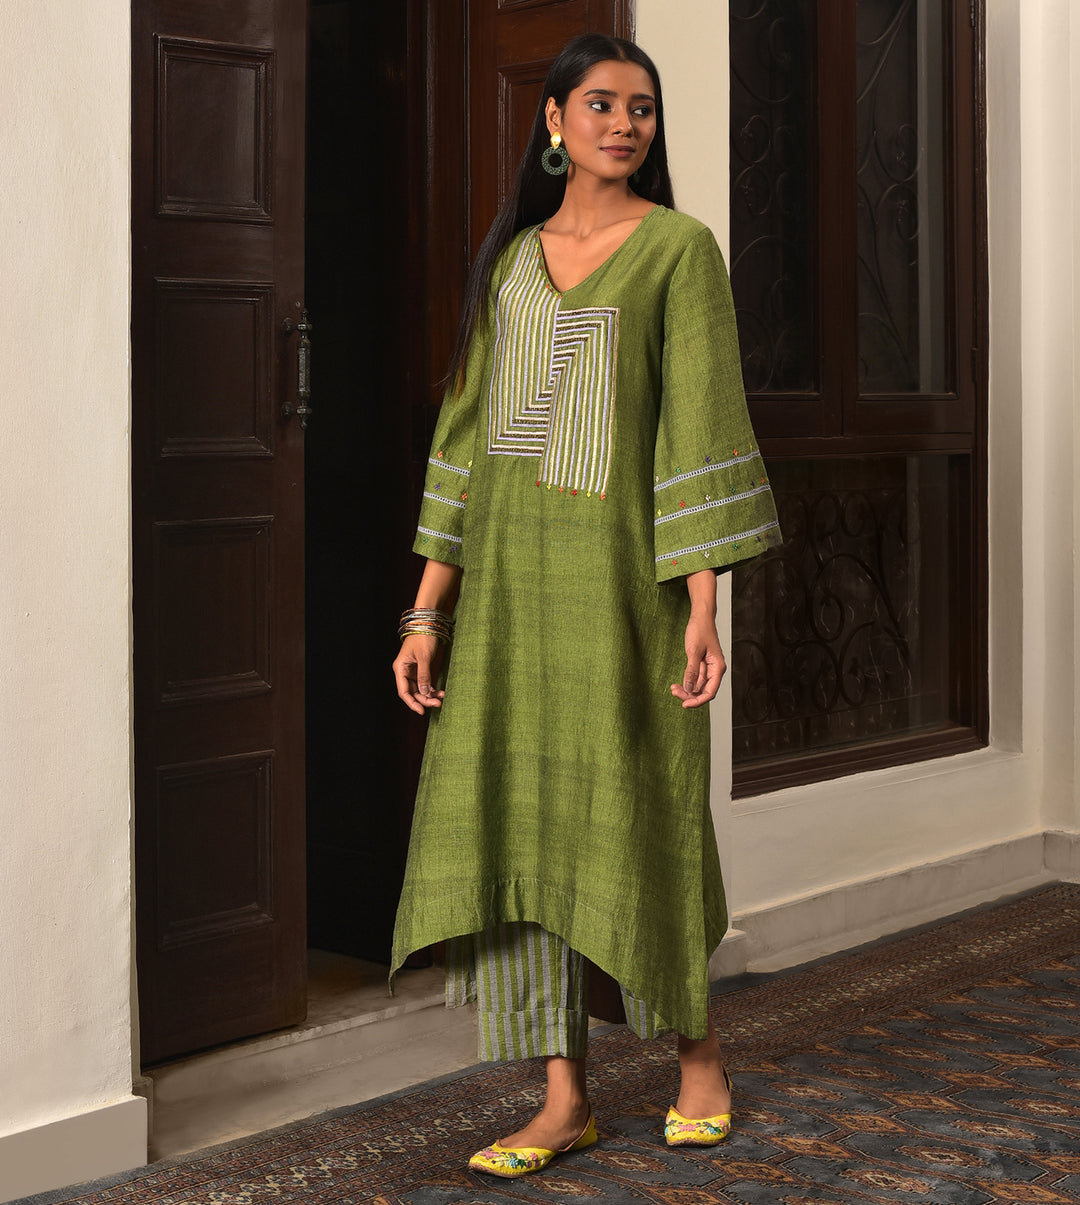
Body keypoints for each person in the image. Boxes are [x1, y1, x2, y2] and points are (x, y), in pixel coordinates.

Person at [390, 33, 781, 1179]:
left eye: (642, 109)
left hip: (626, 596)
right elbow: (467, 442)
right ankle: (562, 1095)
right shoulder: (513, 263)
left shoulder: (677, 251)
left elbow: (698, 428)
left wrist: (703, 607)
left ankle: (698, 1053)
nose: (625, 125)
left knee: (650, 815)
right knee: (518, 824)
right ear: (554, 120)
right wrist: (426, 612)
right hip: (510, 603)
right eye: (602, 104)